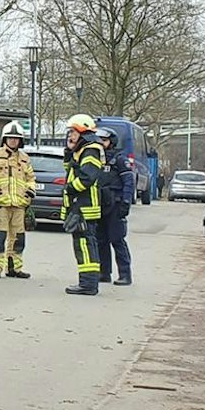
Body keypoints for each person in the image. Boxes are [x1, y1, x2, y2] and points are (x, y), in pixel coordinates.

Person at [0, 121, 36, 279]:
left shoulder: (25, 158)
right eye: (10, 138)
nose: (13, 141)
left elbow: (31, 178)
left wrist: (30, 190)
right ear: (4, 139)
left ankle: (14, 268)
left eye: (16, 138)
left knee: (18, 238)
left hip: (19, 205)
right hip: (1, 205)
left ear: (21, 140)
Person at [62, 113, 106, 296]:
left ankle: (88, 284)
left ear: (82, 132)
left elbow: (87, 177)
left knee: (85, 245)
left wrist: (70, 188)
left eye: (73, 132)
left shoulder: (90, 150)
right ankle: (88, 282)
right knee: (85, 244)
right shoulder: (82, 150)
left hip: (84, 206)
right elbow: (70, 170)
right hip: (80, 206)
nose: (70, 135)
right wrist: (68, 152)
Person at [96, 128, 135, 286]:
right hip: (100, 204)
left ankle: (125, 274)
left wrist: (126, 202)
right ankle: (104, 273)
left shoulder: (119, 160)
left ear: (111, 142)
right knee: (101, 240)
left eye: (104, 140)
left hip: (115, 204)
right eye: (98, 140)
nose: (100, 143)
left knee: (117, 239)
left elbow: (129, 182)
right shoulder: (95, 158)